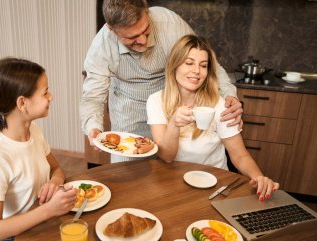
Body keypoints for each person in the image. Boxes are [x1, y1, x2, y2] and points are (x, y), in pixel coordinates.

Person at [80, 0, 243, 163]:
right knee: (128, 170)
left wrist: (229, 94)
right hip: (127, 112)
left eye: (145, 30)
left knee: (165, 168)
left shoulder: (169, 23)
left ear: (147, 13)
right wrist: (93, 127)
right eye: (133, 37)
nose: (143, 41)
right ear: (112, 30)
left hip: (167, 104)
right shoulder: (101, 47)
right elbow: (92, 97)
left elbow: (206, 59)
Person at [146, 35, 279, 200]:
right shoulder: (156, 101)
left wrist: (259, 177)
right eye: (189, 63)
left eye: (203, 65)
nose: (196, 71)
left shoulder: (220, 105)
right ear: (174, 65)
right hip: (173, 182)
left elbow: (239, 155)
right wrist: (174, 124)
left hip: (215, 185)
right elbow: (166, 157)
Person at [0, 58, 76, 241]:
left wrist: (54, 182)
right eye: (45, 92)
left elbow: (57, 169)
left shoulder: (34, 132)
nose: (51, 97)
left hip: (36, 224)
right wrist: (48, 210)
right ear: (22, 103)